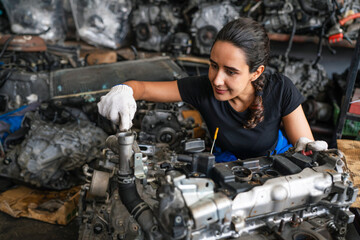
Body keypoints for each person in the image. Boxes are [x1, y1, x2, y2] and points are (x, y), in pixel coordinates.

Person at [97, 17, 327, 161]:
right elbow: (143, 88)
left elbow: (303, 146)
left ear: (256, 72)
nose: (217, 80)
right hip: (227, 165)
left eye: (231, 71)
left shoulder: (281, 89)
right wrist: (123, 90)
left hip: (275, 162)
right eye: (213, 66)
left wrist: (308, 149)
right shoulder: (202, 88)